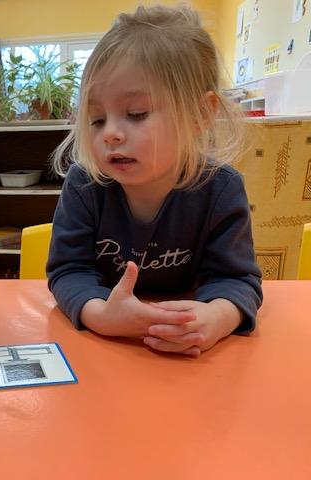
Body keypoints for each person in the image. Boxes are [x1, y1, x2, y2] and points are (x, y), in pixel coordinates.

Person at [47, 4, 262, 357]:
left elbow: (236, 279)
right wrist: (101, 315)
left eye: (136, 114)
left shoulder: (221, 189)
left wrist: (217, 317)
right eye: (97, 119)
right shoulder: (84, 184)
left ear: (200, 114)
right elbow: (69, 271)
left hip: (186, 357)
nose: (111, 133)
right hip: (106, 351)